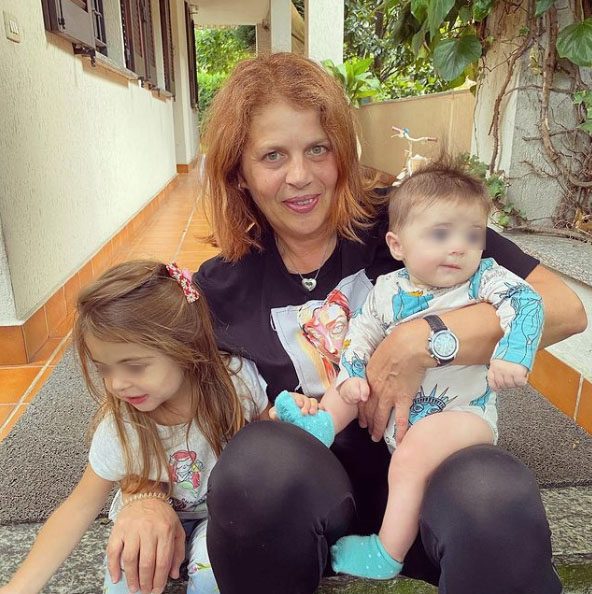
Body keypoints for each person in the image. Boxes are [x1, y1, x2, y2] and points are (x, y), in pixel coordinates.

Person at [106, 53, 586, 594]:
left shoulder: (414, 222)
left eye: (318, 148)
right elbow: (140, 379)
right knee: (256, 463)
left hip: (433, 476)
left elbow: (563, 308)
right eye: (272, 155)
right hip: (300, 509)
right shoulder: (222, 285)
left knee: (495, 496)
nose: (300, 176)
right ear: (238, 173)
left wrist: (423, 339)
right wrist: (144, 493)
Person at [273, 161, 544, 580]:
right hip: (397, 414)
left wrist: (513, 354)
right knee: (350, 386)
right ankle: (321, 426)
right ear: (397, 245)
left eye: (473, 235)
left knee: (412, 457)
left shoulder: (483, 280)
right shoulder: (389, 288)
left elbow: (526, 301)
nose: (459, 247)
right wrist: (354, 375)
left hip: (463, 417)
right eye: (441, 234)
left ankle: (387, 552)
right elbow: (361, 332)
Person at [0, 261, 268, 594]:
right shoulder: (119, 428)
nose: (117, 385)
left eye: (135, 366)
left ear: (186, 346)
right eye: (104, 369)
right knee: (125, 574)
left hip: (222, 517)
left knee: (218, 571)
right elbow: (78, 507)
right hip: (144, 521)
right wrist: (18, 588)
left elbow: (269, 447)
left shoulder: (237, 384)